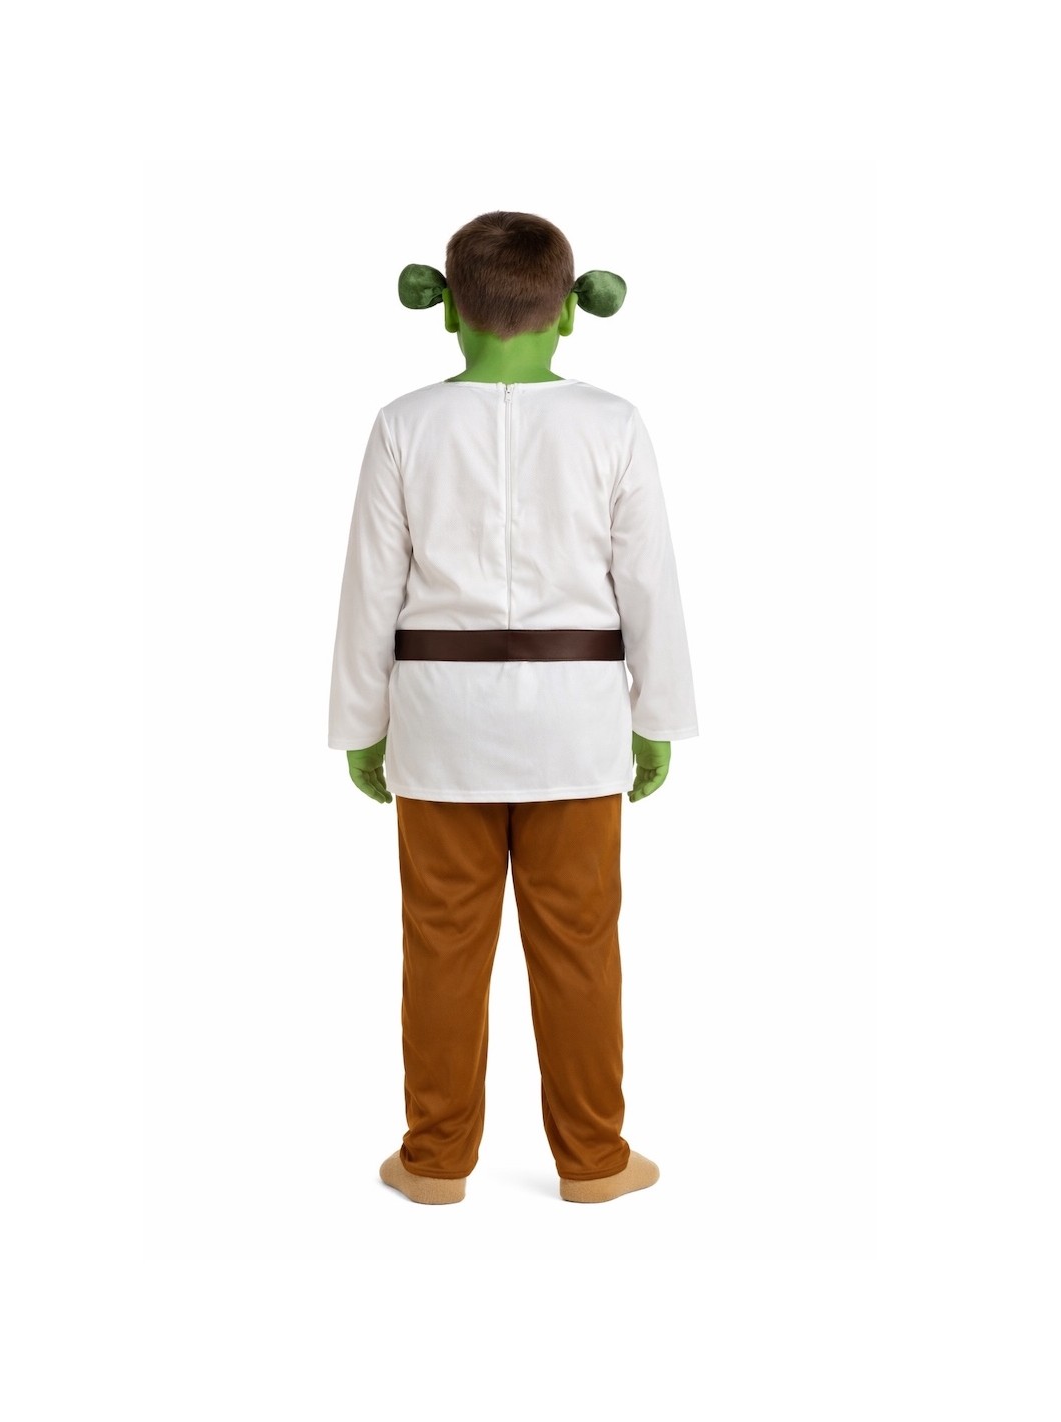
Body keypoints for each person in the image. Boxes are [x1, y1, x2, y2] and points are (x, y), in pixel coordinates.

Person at [328, 210, 699, 1204]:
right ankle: (594, 1160)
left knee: (440, 946)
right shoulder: (613, 423)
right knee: (579, 945)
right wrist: (656, 716)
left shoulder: (402, 424)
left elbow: (370, 587)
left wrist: (361, 727)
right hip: (575, 722)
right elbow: (648, 581)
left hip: (438, 721)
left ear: (446, 308)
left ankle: (433, 1161)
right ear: (570, 312)